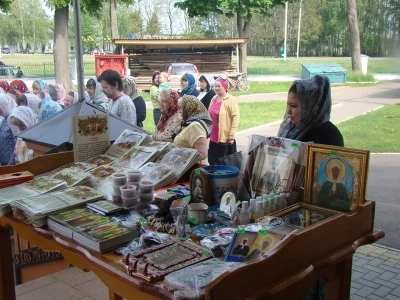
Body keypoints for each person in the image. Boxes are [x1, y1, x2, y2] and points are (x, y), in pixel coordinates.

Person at [278, 74, 344, 146]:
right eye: (288, 105)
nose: (288, 111)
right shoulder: (289, 129)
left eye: (293, 106)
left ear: (311, 107)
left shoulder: (330, 136)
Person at [207, 78, 240, 165]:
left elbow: (235, 117)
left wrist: (232, 134)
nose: (217, 88)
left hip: (225, 135)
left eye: (219, 86)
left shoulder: (230, 99)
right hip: (214, 134)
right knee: (212, 159)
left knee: (224, 161)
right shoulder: (214, 98)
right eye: (215, 86)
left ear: (225, 87)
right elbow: (209, 113)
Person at [174, 95, 211, 161]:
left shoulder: (195, 126)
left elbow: (202, 154)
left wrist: (179, 155)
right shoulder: (186, 123)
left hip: (196, 170)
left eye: (181, 108)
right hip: (186, 167)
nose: (178, 111)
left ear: (189, 108)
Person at [0, 94, 17, 165]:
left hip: (11, 164)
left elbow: (16, 144)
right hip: (3, 162)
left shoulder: (14, 119)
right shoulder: (4, 119)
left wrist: (10, 165)